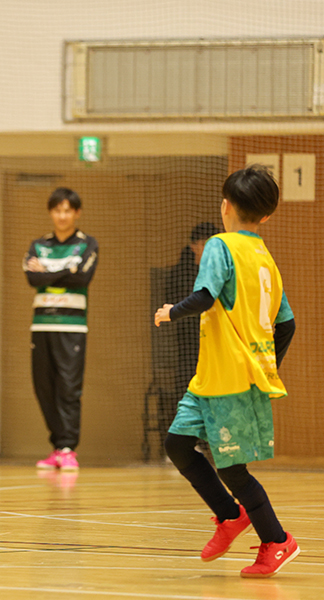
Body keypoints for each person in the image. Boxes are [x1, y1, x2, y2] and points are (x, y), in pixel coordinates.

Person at [155, 165, 299, 578]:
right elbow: (287, 324)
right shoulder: (265, 258)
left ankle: (277, 540)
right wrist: (267, 366)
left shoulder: (221, 245)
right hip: (211, 379)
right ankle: (230, 515)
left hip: (231, 380)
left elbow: (205, 296)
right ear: (266, 215)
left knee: (232, 468)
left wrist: (171, 312)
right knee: (178, 444)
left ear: (226, 205)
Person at [24, 187, 98, 471]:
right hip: (41, 327)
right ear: (51, 213)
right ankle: (57, 447)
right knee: (43, 387)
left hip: (72, 328)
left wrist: (47, 272)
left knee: (68, 387)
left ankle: (68, 448)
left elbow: (83, 278)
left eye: (67, 210)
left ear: (77, 213)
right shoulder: (38, 245)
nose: (62, 216)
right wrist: (66, 271)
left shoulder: (87, 244)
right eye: (57, 210)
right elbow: (32, 279)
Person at [158, 222, 220, 439]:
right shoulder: (183, 271)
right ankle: (188, 438)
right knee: (188, 384)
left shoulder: (218, 268)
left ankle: (210, 439)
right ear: (195, 245)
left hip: (215, 340)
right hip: (189, 339)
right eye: (206, 244)